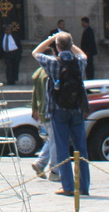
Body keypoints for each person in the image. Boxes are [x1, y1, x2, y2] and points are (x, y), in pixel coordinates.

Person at [33, 32, 91, 197]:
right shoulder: (79, 62)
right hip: (77, 109)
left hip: (58, 110)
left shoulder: (53, 63)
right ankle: (84, 186)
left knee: (62, 148)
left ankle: (68, 186)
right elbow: (83, 54)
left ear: (57, 47)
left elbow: (35, 52)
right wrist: (70, 42)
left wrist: (51, 39)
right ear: (70, 45)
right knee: (81, 148)